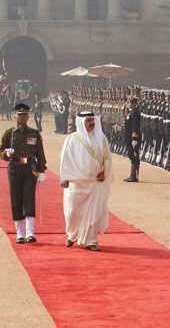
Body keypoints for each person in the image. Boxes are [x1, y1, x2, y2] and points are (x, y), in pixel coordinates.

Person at [60, 111, 112, 251]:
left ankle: (91, 241)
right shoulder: (72, 139)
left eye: (92, 120)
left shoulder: (102, 139)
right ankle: (71, 235)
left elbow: (107, 159)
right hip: (78, 183)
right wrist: (64, 178)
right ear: (81, 122)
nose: (91, 123)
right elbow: (66, 160)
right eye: (88, 120)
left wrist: (104, 173)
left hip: (96, 183)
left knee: (93, 213)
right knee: (72, 213)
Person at [0, 103, 47, 244]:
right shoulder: (9, 133)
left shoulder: (34, 133)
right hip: (15, 168)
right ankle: (20, 232)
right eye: (19, 115)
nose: (22, 117)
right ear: (15, 116)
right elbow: (1, 151)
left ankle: (30, 232)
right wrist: (5, 154)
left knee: (29, 198)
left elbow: (40, 152)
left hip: (30, 168)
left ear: (28, 117)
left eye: (24, 115)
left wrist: (42, 169)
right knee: (16, 198)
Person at [124, 97, 141, 182]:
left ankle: (134, 176)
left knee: (134, 156)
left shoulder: (135, 113)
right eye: (129, 102)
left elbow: (135, 126)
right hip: (128, 136)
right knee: (131, 155)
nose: (129, 104)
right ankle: (132, 175)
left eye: (131, 102)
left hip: (133, 138)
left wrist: (134, 138)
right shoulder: (130, 112)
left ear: (135, 103)